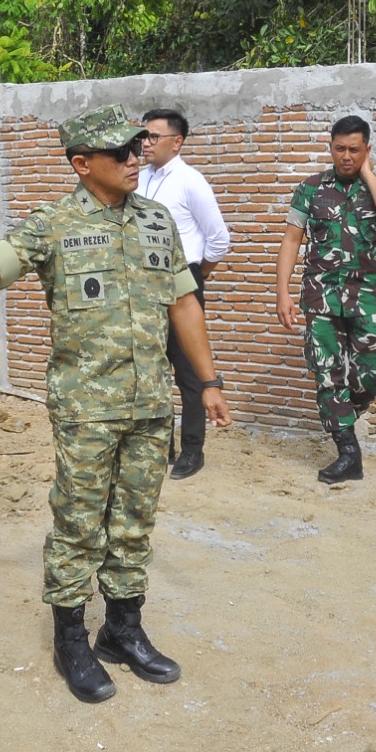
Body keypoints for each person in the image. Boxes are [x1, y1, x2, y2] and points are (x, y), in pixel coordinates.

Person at [0, 103, 233, 705]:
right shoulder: (51, 224)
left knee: (134, 523)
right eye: (121, 152)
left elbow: (184, 303)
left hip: (151, 404)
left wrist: (208, 382)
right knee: (78, 526)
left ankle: (122, 630)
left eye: (138, 148)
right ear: (82, 164)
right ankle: (71, 639)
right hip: (87, 409)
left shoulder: (156, 218)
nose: (136, 159)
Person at [274, 114, 376, 484]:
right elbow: (291, 240)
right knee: (327, 373)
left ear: (367, 150)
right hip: (320, 299)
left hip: (364, 298)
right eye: (339, 148)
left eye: (354, 149)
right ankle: (348, 452)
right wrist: (282, 292)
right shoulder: (310, 189)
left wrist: (368, 174)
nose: (345, 156)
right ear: (329, 147)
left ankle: (342, 413)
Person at [138, 108, 230, 480]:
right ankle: (162, 445)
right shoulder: (138, 178)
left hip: (182, 278)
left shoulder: (191, 181)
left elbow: (220, 239)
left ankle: (193, 449)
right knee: (151, 368)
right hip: (144, 282)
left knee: (190, 372)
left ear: (176, 142)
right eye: (143, 136)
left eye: (153, 137)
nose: (145, 143)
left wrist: (197, 274)